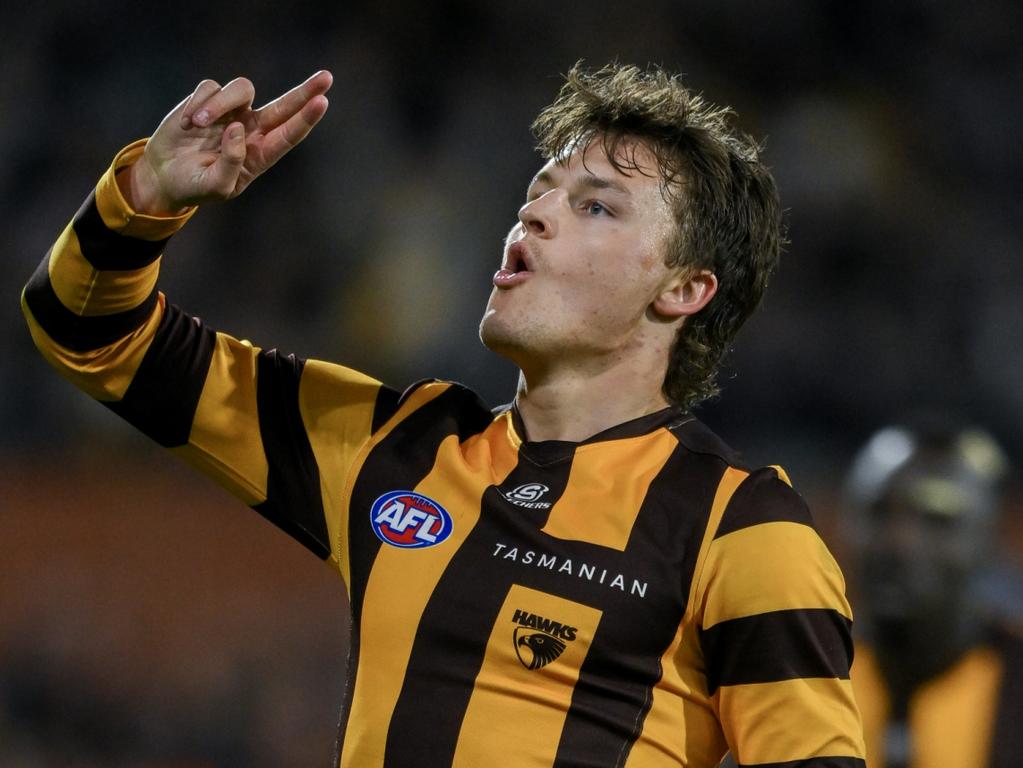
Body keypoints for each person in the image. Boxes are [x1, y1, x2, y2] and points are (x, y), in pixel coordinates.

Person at [21, 63, 865, 767]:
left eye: (595, 206)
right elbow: (89, 334)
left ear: (683, 290)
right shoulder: (398, 446)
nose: (533, 213)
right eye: (540, 191)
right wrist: (145, 197)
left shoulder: (744, 528)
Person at [845, 419, 1023, 768]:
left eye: (937, 519)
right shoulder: (795, 677)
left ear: (990, 539)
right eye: (880, 512)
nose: (900, 542)